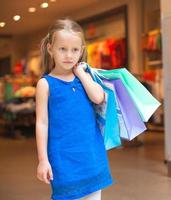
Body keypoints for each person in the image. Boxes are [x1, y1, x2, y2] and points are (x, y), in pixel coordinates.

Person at [35, 18, 113, 200]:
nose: (69, 55)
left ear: (82, 51)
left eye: (75, 50)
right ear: (50, 49)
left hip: (92, 156)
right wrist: (42, 160)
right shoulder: (45, 84)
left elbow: (98, 97)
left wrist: (81, 74)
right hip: (63, 159)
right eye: (62, 49)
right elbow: (42, 123)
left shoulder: (85, 78)